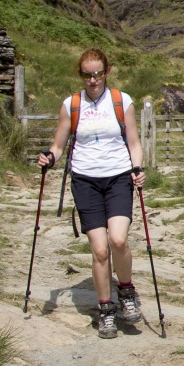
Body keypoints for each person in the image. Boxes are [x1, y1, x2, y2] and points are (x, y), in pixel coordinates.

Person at [37, 50, 147, 339]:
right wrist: (50, 157)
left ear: (107, 71)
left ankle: (126, 291)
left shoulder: (122, 102)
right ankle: (106, 310)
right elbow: (59, 145)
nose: (93, 79)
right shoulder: (71, 105)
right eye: (87, 74)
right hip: (85, 181)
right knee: (99, 250)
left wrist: (138, 167)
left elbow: (133, 141)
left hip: (118, 178)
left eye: (98, 73)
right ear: (80, 75)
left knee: (118, 239)